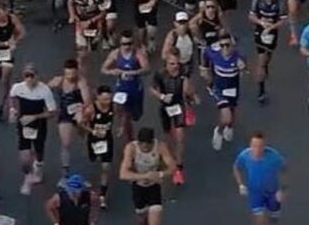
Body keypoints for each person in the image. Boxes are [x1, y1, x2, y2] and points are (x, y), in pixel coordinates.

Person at [119, 126, 176, 225]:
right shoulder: (131, 148)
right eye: (142, 143)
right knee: (141, 219)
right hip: (138, 187)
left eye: (147, 144)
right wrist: (144, 176)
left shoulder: (160, 147)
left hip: (153, 187)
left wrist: (160, 174)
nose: (144, 146)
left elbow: (172, 167)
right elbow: (123, 173)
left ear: (152, 142)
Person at [233, 131, 287, 225]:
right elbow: (236, 167)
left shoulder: (273, 156)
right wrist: (240, 184)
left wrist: (283, 189)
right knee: (260, 222)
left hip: (272, 193)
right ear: (250, 145)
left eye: (260, 146)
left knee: (274, 219)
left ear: (264, 146)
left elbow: (285, 170)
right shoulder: (244, 156)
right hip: (255, 194)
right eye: (254, 146)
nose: (257, 149)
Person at [9, 63, 57, 195]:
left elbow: (52, 112)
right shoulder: (18, 88)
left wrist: (35, 117)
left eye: (32, 76)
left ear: (37, 77)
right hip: (24, 124)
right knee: (24, 159)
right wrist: (12, 110)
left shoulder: (44, 90)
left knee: (38, 151)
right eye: (26, 76)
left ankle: (39, 166)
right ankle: (27, 177)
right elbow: (12, 97)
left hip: (39, 124)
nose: (29, 79)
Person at [151, 54, 193, 185]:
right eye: (172, 64)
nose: (175, 66)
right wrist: (162, 97)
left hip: (178, 106)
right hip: (165, 108)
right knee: (168, 137)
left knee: (180, 137)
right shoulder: (160, 74)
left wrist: (190, 96)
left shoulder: (183, 73)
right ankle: (170, 160)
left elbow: (187, 89)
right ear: (167, 64)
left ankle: (179, 167)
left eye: (177, 63)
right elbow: (151, 88)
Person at [202, 32, 247, 150]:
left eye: (227, 45)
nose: (225, 48)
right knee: (227, 116)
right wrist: (205, 69)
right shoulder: (214, 53)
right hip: (219, 89)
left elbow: (245, 70)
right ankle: (219, 131)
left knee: (232, 112)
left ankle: (229, 127)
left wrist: (243, 68)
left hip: (233, 89)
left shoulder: (239, 57)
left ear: (233, 45)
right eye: (222, 45)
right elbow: (205, 52)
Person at [101, 31, 149, 142]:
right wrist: (113, 71)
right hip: (122, 87)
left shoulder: (138, 53)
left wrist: (133, 72)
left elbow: (147, 69)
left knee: (135, 116)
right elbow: (103, 69)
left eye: (129, 43)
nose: (127, 46)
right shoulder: (115, 54)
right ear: (120, 43)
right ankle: (128, 136)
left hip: (135, 87)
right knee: (121, 109)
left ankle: (126, 128)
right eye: (124, 44)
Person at [49, 59, 92, 173]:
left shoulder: (81, 82)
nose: (70, 77)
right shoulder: (59, 80)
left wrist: (80, 111)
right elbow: (45, 89)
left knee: (83, 135)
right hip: (65, 113)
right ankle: (65, 169)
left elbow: (87, 100)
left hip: (80, 112)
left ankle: (88, 139)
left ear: (77, 72)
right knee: (65, 143)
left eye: (73, 74)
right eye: (68, 74)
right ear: (64, 72)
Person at [0, 3, 26, 120]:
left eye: (6, 14)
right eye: (2, 16)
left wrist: (15, 40)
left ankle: (10, 108)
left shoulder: (12, 19)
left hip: (8, 54)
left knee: (5, 80)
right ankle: (2, 106)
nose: (4, 17)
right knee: (3, 83)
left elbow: (23, 32)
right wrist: (5, 44)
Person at [249, 0, 285, 104]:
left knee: (267, 57)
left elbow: (282, 20)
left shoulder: (279, 2)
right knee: (262, 61)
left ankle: (264, 68)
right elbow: (251, 16)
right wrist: (261, 23)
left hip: (272, 33)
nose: (269, 0)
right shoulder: (257, 1)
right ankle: (261, 89)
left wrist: (272, 26)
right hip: (260, 32)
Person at [81, 85, 116, 208]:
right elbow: (81, 123)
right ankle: (89, 184)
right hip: (94, 139)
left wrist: (121, 126)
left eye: (109, 99)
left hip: (107, 139)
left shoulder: (114, 106)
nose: (107, 102)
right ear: (98, 97)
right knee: (93, 160)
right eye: (105, 100)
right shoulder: (91, 109)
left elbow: (121, 115)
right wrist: (92, 131)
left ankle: (102, 196)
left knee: (106, 167)